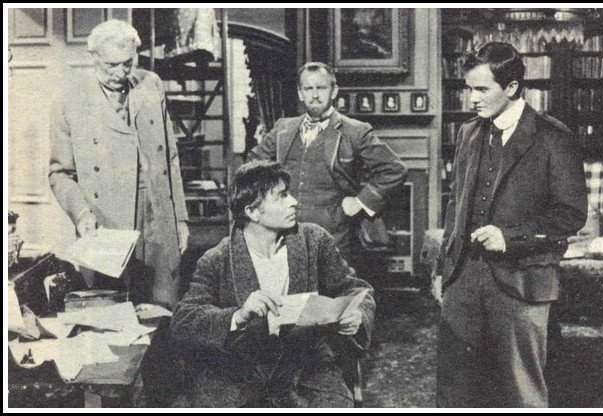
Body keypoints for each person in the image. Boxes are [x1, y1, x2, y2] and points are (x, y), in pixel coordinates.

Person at [436, 42, 587, 408]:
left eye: (481, 89)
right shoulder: (468, 133)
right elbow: (455, 204)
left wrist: (509, 237)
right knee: (456, 391)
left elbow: (570, 214)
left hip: (523, 280)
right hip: (463, 279)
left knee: (521, 392)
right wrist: (444, 270)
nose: (472, 98)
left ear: (512, 87)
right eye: (469, 88)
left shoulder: (553, 136)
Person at [170, 161, 375, 407]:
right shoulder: (217, 258)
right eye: (281, 196)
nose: (294, 202)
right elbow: (184, 320)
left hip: (305, 370)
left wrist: (356, 315)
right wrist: (238, 315)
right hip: (238, 375)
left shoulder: (314, 241)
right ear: (252, 212)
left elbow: (355, 289)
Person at [49, 19, 189, 309]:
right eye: (111, 65)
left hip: (157, 217)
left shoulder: (151, 84)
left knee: (163, 309)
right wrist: (81, 214)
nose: (120, 72)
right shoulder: (69, 99)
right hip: (106, 224)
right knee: (112, 316)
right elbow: (60, 174)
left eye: (127, 63)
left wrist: (180, 219)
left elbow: (170, 158)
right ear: (94, 57)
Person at [248, 62, 407, 262]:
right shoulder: (283, 129)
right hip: (285, 236)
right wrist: (268, 204)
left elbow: (394, 169)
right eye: (308, 89)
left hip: (335, 237)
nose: (314, 95)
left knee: (330, 283)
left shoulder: (355, 131)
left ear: (334, 91)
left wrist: (360, 202)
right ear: (300, 93)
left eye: (321, 88)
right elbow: (252, 166)